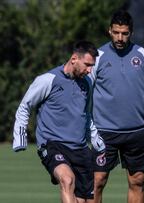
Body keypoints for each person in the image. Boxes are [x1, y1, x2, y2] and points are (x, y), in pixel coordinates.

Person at [12, 40, 105, 203]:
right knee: (67, 179)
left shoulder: (88, 83)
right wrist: (20, 137)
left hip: (80, 148)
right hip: (52, 144)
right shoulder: (47, 80)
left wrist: (97, 141)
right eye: (87, 65)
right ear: (74, 58)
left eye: (92, 66)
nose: (90, 70)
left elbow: (86, 115)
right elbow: (24, 107)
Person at [90, 10, 144, 203]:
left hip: (136, 131)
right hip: (104, 132)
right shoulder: (97, 57)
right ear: (109, 31)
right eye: (116, 32)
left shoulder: (143, 55)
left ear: (131, 33)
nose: (120, 38)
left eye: (124, 33)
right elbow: (84, 93)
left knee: (137, 180)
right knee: (97, 180)